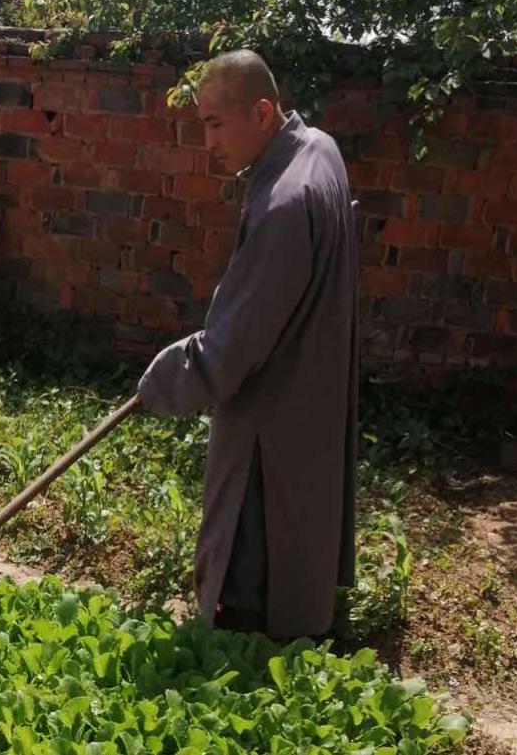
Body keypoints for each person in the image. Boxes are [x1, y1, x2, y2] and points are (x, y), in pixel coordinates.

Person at [136, 49, 358, 640]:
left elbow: (230, 349)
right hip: (308, 394)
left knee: (253, 594)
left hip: (273, 426)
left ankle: (248, 675)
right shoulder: (319, 149)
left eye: (214, 123)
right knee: (293, 538)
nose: (206, 141)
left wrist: (161, 385)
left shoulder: (285, 202)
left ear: (262, 113)